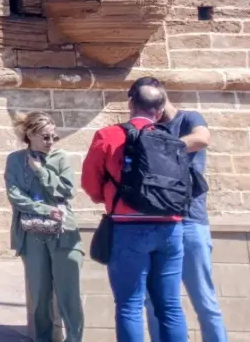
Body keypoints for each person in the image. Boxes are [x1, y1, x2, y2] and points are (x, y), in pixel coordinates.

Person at [81, 80, 191, 342]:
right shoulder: (171, 139)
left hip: (128, 227)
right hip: (170, 227)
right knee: (170, 306)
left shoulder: (108, 136)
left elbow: (89, 182)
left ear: (131, 104)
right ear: (160, 109)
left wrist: (107, 198)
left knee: (130, 305)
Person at [142, 80, 227, 342]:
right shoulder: (149, 127)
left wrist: (161, 149)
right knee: (154, 303)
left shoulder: (189, 118)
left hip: (191, 222)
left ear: (162, 98)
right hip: (158, 224)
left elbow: (202, 138)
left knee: (204, 301)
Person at [5, 111, 83, 342]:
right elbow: (15, 195)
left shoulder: (60, 158)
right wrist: (44, 209)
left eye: (54, 137)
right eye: (45, 137)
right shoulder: (15, 160)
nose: (51, 142)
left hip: (63, 233)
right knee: (39, 294)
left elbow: (67, 191)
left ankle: (75, 339)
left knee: (69, 293)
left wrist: (41, 170)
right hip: (31, 234)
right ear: (30, 134)